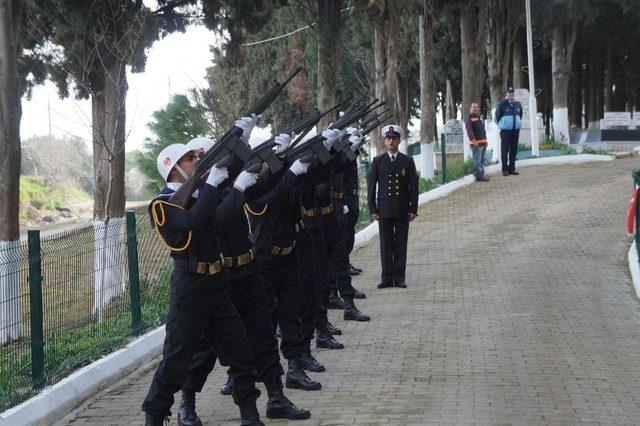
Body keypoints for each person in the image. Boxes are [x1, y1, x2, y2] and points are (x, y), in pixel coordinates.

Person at [176, 135, 311, 426]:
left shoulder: (228, 184)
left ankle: (275, 396)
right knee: (206, 348)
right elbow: (222, 217)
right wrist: (235, 184)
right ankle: (187, 403)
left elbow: (265, 189)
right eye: (196, 158)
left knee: (262, 336)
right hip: (220, 278)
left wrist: (281, 160)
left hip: (248, 271)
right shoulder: (200, 196)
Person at [142, 142, 263, 426]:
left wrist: (237, 186)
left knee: (241, 353)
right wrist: (211, 185)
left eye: (195, 156)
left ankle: (250, 414)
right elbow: (193, 221)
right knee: (175, 360)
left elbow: (220, 217)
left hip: (217, 285)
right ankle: (155, 417)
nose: (196, 160)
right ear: (173, 168)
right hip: (190, 288)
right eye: (189, 158)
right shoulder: (161, 204)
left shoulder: (199, 194)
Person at [367, 125, 418, 289]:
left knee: (401, 243)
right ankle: (387, 278)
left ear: (399, 140)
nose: (391, 141)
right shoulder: (378, 161)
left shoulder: (407, 161)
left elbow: (414, 187)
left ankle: (400, 277)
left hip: (402, 208)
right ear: (384, 141)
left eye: (394, 138)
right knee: (386, 243)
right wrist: (373, 209)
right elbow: (371, 187)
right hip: (384, 209)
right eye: (388, 138)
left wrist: (413, 209)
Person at [495, 87, 523, 176]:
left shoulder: (518, 104)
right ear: (506, 94)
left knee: (513, 150)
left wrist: (517, 124)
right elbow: (496, 118)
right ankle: (505, 170)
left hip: (515, 131)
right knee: (505, 150)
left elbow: (520, 115)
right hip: (505, 132)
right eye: (509, 93)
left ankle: (512, 168)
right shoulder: (502, 104)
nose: (511, 95)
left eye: (512, 93)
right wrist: (503, 125)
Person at [464, 101, 489, 182]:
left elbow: (482, 130)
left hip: (483, 143)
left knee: (483, 160)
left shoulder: (478, 117)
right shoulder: (469, 118)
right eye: (473, 107)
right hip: (476, 144)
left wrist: (486, 141)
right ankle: (480, 175)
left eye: (476, 107)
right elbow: (469, 130)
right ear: (470, 108)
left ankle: (482, 173)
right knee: (477, 161)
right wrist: (473, 140)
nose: (475, 108)